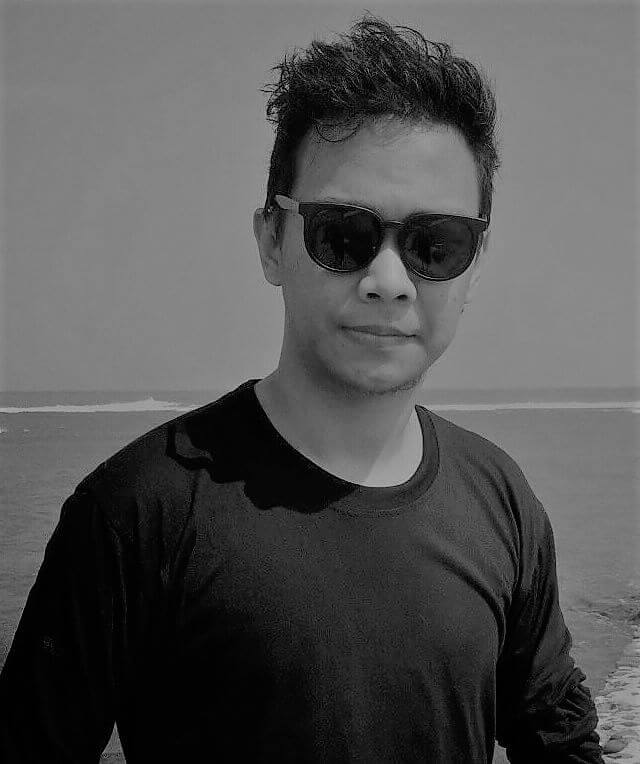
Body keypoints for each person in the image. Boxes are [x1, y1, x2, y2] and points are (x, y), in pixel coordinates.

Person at [0, 15, 603, 763]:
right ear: (270, 242)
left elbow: (560, 739)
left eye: (435, 244)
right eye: (343, 235)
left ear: (473, 267)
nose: (389, 281)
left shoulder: (500, 500)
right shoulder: (136, 514)